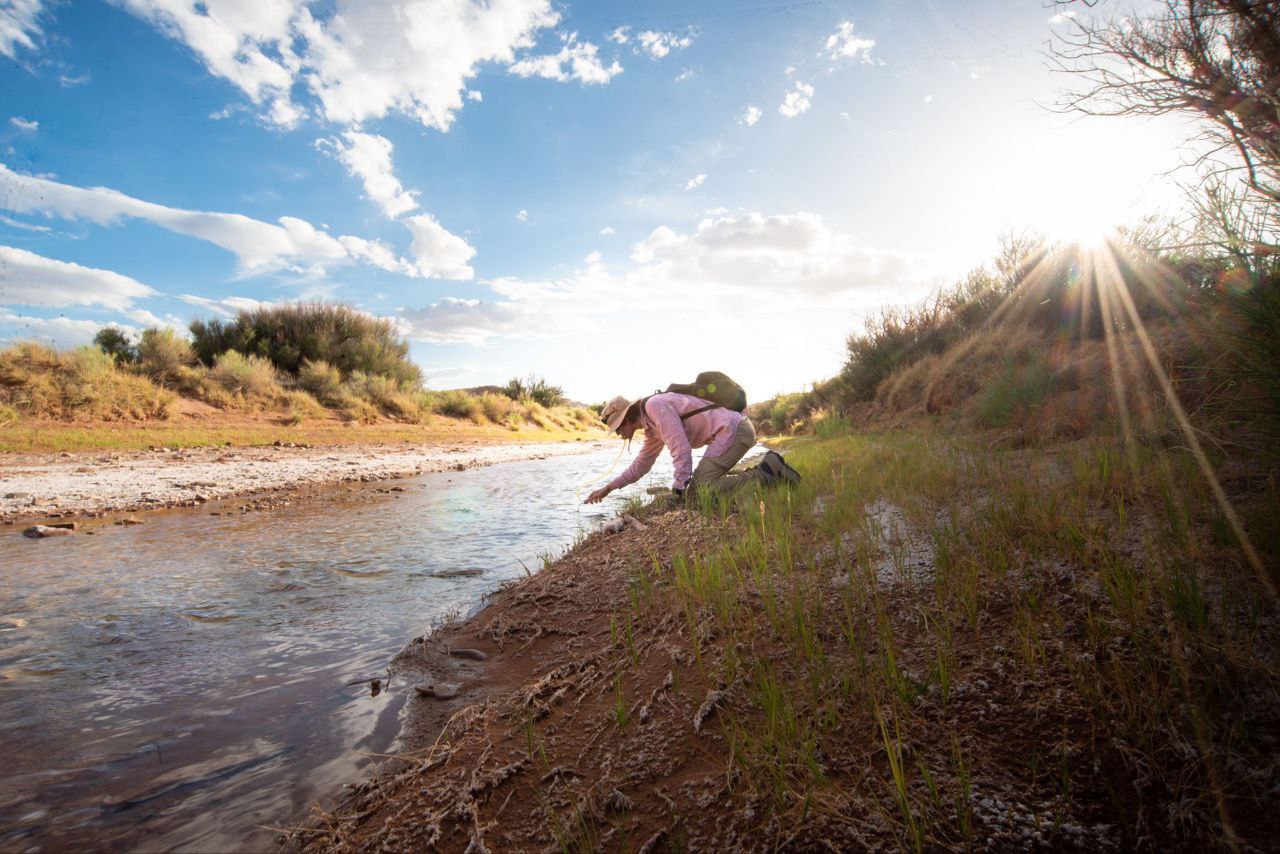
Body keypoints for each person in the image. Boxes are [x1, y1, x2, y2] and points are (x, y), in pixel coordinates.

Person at [584, 391, 800, 504]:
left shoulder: (654, 407)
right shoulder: (651, 430)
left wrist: (679, 489)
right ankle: (766, 470)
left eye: (617, 428)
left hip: (734, 431)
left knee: (699, 492)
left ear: (625, 420)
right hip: (729, 434)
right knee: (699, 490)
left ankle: (766, 473)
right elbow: (641, 466)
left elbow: (681, 449)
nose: (619, 434)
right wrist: (608, 489)